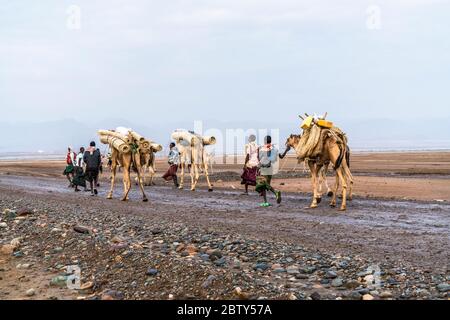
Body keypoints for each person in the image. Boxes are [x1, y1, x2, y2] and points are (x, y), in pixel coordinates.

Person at [255, 136, 282, 207]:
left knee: (264, 185)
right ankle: (265, 202)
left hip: (264, 168)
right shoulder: (273, 148)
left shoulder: (262, 148)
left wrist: (258, 151)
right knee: (265, 186)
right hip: (270, 168)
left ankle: (276, 192)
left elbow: (259, 158)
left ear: (264, 141)